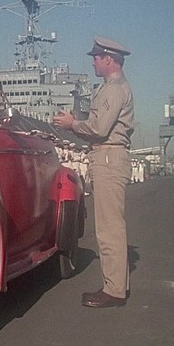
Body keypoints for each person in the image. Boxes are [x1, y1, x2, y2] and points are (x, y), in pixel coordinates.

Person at [54, 36, 133, 308]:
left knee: (109, 229)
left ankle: (114, 291)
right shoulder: (114, 87)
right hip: (108, 156)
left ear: (108, 59)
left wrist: (72, 124)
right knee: (112, 226)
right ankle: (117, 284)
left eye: (97, 57)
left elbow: (99, 128)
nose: (93, 62)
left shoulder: (113, 89)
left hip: (108, 157)